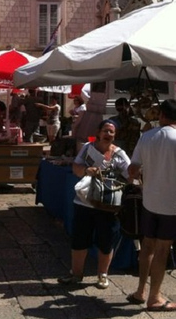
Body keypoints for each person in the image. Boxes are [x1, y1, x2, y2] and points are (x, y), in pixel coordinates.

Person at [128, 99, 176, 312]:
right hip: (172, 204)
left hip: (150, 201)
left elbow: (132, 169)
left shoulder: (146, 137)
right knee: (162, 250)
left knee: (146, 246)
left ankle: (141, 291)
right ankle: (155, 297)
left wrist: (146, 172)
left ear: (161, 116)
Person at [58, 119, 130, 290]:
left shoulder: (119, 154)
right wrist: (85, 170)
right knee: (79, 239)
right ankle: (76, 274)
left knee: (106, 241)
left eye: (111, 132)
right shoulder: (87, 148)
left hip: (106, 205)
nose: (108, 134)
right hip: (84, 202)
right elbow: (76, 166)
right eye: (105, 130)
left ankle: (102, 275)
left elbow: (130, 174)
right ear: (98, 132)